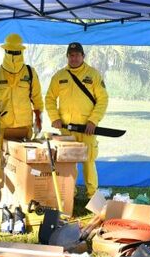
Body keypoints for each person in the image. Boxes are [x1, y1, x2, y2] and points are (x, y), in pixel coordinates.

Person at [45, 42, 109, 199]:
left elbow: (103, 99)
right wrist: (55, 118)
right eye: (71, 55)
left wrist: (93, 121)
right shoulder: (59, 76)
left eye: (77, 55)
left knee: (89, 162)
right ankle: (68, 194)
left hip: (87, 128)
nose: (74, 58)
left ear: (83, 56)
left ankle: (92, 196)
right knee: (68, 162)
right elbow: (49, 99)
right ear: (67, 57)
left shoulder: (93, 74)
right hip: (66, 129)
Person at [0, 33, 43, 139]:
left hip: (25, 125)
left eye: (16, 52)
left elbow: (37, 98)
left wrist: (39, 121)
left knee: (25, 154)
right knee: (3, 155)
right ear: (5, 51)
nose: (13, 56)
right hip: (3, 126)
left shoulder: (30, 72)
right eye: (10, 52)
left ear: (21, 51)